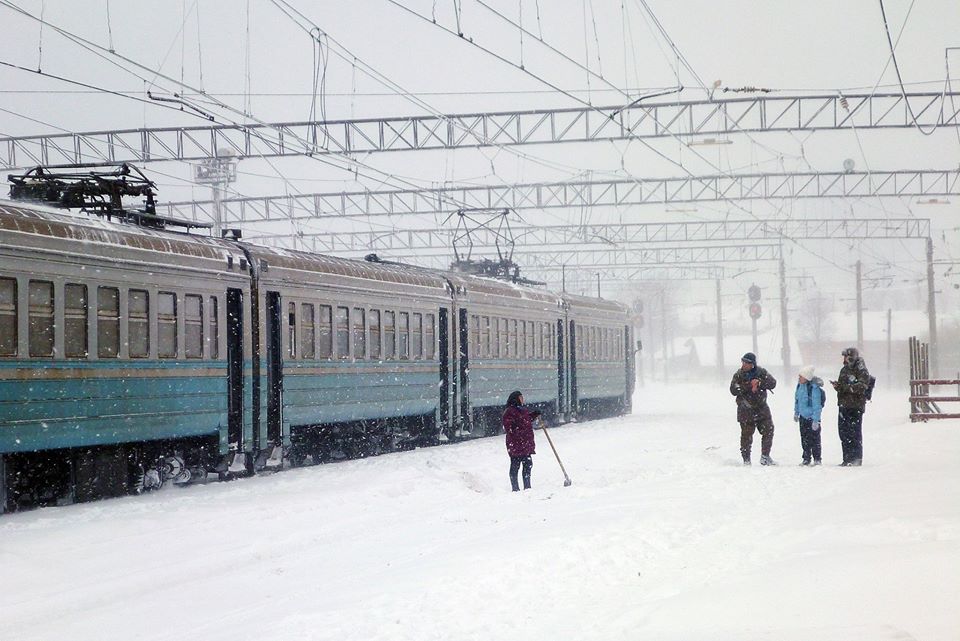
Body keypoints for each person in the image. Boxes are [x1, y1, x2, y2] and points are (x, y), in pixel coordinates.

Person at [729, 352, 778, 465]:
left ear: (752, 364)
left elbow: (773, 383)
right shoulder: (738, 375)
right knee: (746, 436)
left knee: (768, 431)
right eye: (743, 362)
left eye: (747, 363)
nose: (744, 365)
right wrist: (749, 385)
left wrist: (760, 383)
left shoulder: (761, 372)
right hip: (745, 410)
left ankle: (765, 456)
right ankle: (746, 460)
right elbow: (733, 390)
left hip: (762, 408)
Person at [831, 347, 870, 466]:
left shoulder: (861, 370)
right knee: (843, 432)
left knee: (854, 432)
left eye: (846, 356)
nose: (844, 359)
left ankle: (856, 458)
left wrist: (846, 388)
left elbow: (863, 385)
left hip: (855, 406)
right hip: (843, 405)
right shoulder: (844, 370)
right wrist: (838, 386)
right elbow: (843, 385)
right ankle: (847, 458)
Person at [502, 390, 541, 491]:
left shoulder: (523, 410)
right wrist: (517, 429)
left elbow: (526, 419)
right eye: (521, 398)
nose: (522, 400)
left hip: (525, 444)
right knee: (515, 466)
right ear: (516, 399)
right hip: (516, 445)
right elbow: (509, 427)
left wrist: (534, 415)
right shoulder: (509, 411)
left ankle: (527, 486)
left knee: (528, 465)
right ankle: (515, 488)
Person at [794, 365, 825, 466]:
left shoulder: (814, 389)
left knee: (815, 439)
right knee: (804, 439)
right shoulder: (799, 386)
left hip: (812, 418)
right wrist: (796, 412)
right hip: (803, 417)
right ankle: (806, 458)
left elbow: (817, 406)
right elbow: (797, 401)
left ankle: (817, 458)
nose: (799, 378)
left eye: (801, 376)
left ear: (806, 377)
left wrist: (816, 420)